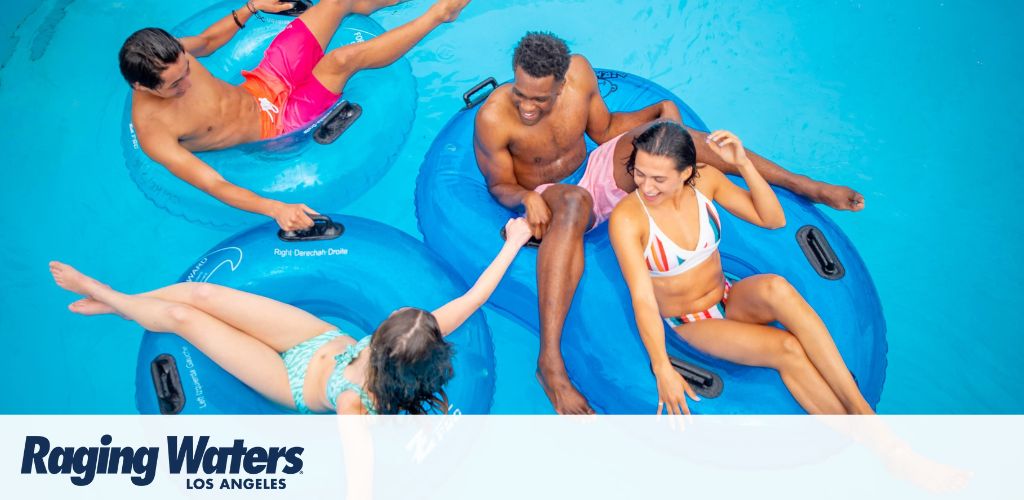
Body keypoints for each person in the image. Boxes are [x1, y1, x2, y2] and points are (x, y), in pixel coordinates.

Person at [473, 32, 862, 414]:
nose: (527, 106)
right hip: (553, 194)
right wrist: (526, 197)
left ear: (561, 84)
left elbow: (604, 130)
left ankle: (803, 184)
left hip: (595, 171)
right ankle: (551, 363)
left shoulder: (580, 75)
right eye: (520, 93)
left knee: (664, 137)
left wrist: (654, 115)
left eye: (540, 99)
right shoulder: (494, 118)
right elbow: (499, 185)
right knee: (575, 200)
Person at [49, 218, 532, 415]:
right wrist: (512, 242)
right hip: (318, 338)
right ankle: (121, 298)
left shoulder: (353, 408)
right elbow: (474, 296)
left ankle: (103, 295)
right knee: (202, 293)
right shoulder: (420, 335)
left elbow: (359, 479)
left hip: (292, 379)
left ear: (386, 348)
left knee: (181, 316)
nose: (399, 310)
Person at [121, 0, 470, 231]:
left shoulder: (170, 57)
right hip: (276, 126)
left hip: (262, 83)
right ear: (143, 87)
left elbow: (208, 42)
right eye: (175, 85)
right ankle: (439, 16)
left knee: (335, 2)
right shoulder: (156, 131)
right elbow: (213, 183)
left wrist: (251, 7)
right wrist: (274, 208)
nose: (187, 81)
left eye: (186, 71)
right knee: (340, 62)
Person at [608, 121, 872, 415]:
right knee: (786, 348)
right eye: (639, 173)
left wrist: (744, 164)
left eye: (658, 178)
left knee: (778, 288)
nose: (646, 186)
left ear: (685, 172)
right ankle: (868, 435)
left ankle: (861, 410)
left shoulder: (705, 181)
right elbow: (642, 298)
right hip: (688, 321)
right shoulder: (629, 218)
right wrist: (662, 367)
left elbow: (772, 219)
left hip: (728, 295)